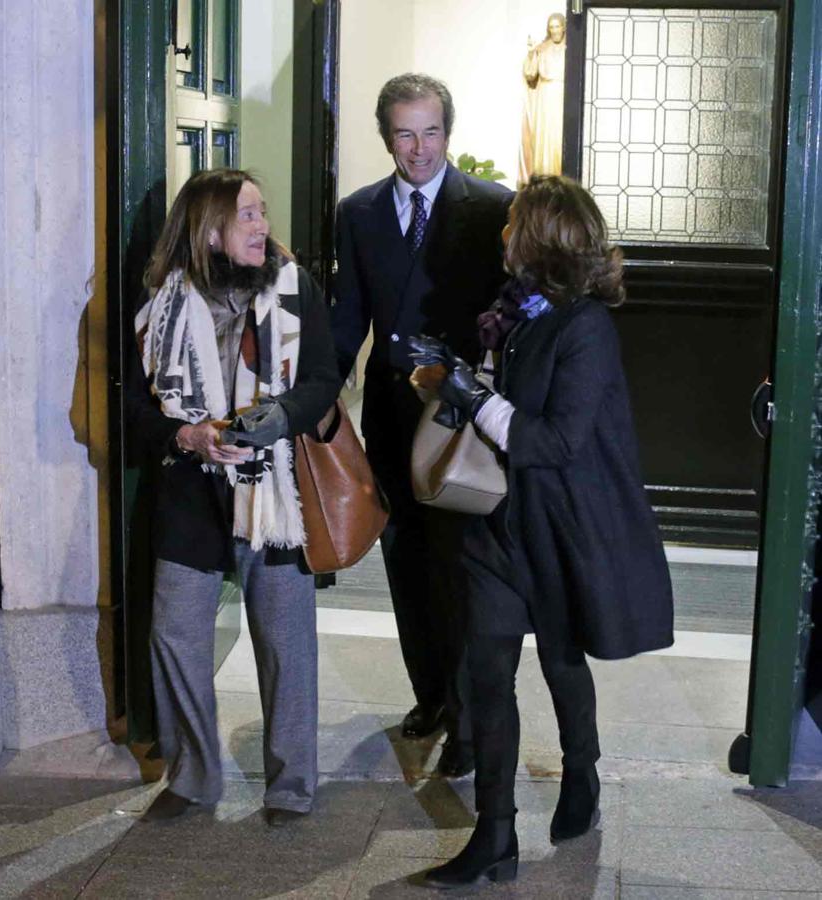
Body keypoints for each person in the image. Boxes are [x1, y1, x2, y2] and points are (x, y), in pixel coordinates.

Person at [409, 175, 674, 889]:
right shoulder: (512, 311)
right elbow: (498, 397)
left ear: (542, 239)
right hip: (496, 521)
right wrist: (450, 378)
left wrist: (475, 398)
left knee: (560, 659)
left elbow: (555, 440)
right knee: (486, 673)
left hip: (556, 523)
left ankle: (580, 775)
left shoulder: (584, 326)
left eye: (513, 224)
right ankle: (493, 836)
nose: (502, 234)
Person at [126, 169, 342, 825]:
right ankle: (191, 777)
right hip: (191, 493)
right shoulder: (160, 304)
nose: (261, 226)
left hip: (274, 494)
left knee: (285, 646)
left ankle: (291, 785)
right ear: (209, 229)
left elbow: (322, 381)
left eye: (262, 211)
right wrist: (187, 434)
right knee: (174, 636)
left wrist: (277, 419)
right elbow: (133, 407)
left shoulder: (293, 289)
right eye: (246, 215)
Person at [331, 73, 513, 776]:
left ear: (448, 131)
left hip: (459, 417)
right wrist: (324, 393)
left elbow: (511, 313)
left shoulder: (491, 206)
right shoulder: (359, 211)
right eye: (404, 134)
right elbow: (350, 316)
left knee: (460, 567)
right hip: (388, 411)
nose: (418, 150)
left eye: (430, 131)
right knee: (404, 561)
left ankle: (470, 720)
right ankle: (431, 695)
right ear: (386, 138)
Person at [518, 13, 567, 184]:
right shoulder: (541, 49)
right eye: (552, 27)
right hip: (545, 99)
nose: (555, 30)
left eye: (558, 26)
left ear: (564, 27)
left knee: (560, 138)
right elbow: (530, 74)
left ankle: (562, 178)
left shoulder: (571, 48)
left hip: (563, 97)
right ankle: (544, 179)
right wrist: (531, 54)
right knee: (544, 139)